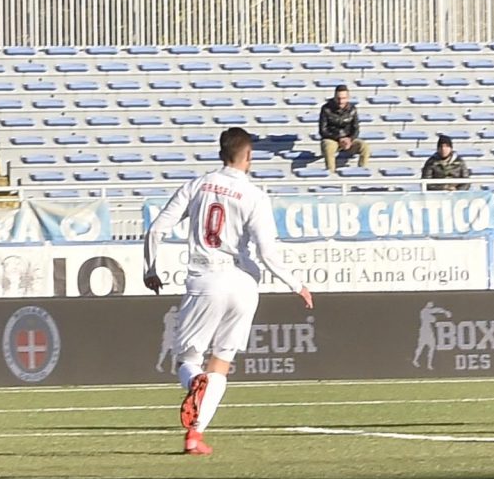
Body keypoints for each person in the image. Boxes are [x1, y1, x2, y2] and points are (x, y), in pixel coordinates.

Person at [143, 127, 314, 455]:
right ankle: (195, 436)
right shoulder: (255, 195)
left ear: (221, 153)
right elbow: (266, 252)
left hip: (205, 278)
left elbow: (157, 230)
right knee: (221, 363)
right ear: (248, 157)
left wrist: (150, 270)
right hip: (244, 284)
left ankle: (195, 385)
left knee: (188, 360)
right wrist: (296, 284)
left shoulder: (197, 185)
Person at [319, 84, 371, 175]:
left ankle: (362, 172)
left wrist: (350, 139)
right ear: (334, 97)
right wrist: (339, 138)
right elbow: (323, 130)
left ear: (347, 98)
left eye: (343, 98)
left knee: (364, 146)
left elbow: (356, 129)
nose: (340, 101)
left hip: (348, 140)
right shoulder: (326, 108)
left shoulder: (352, 109)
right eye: (338, 98)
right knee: (328, 146)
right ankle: (330, 174)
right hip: (332, 139)